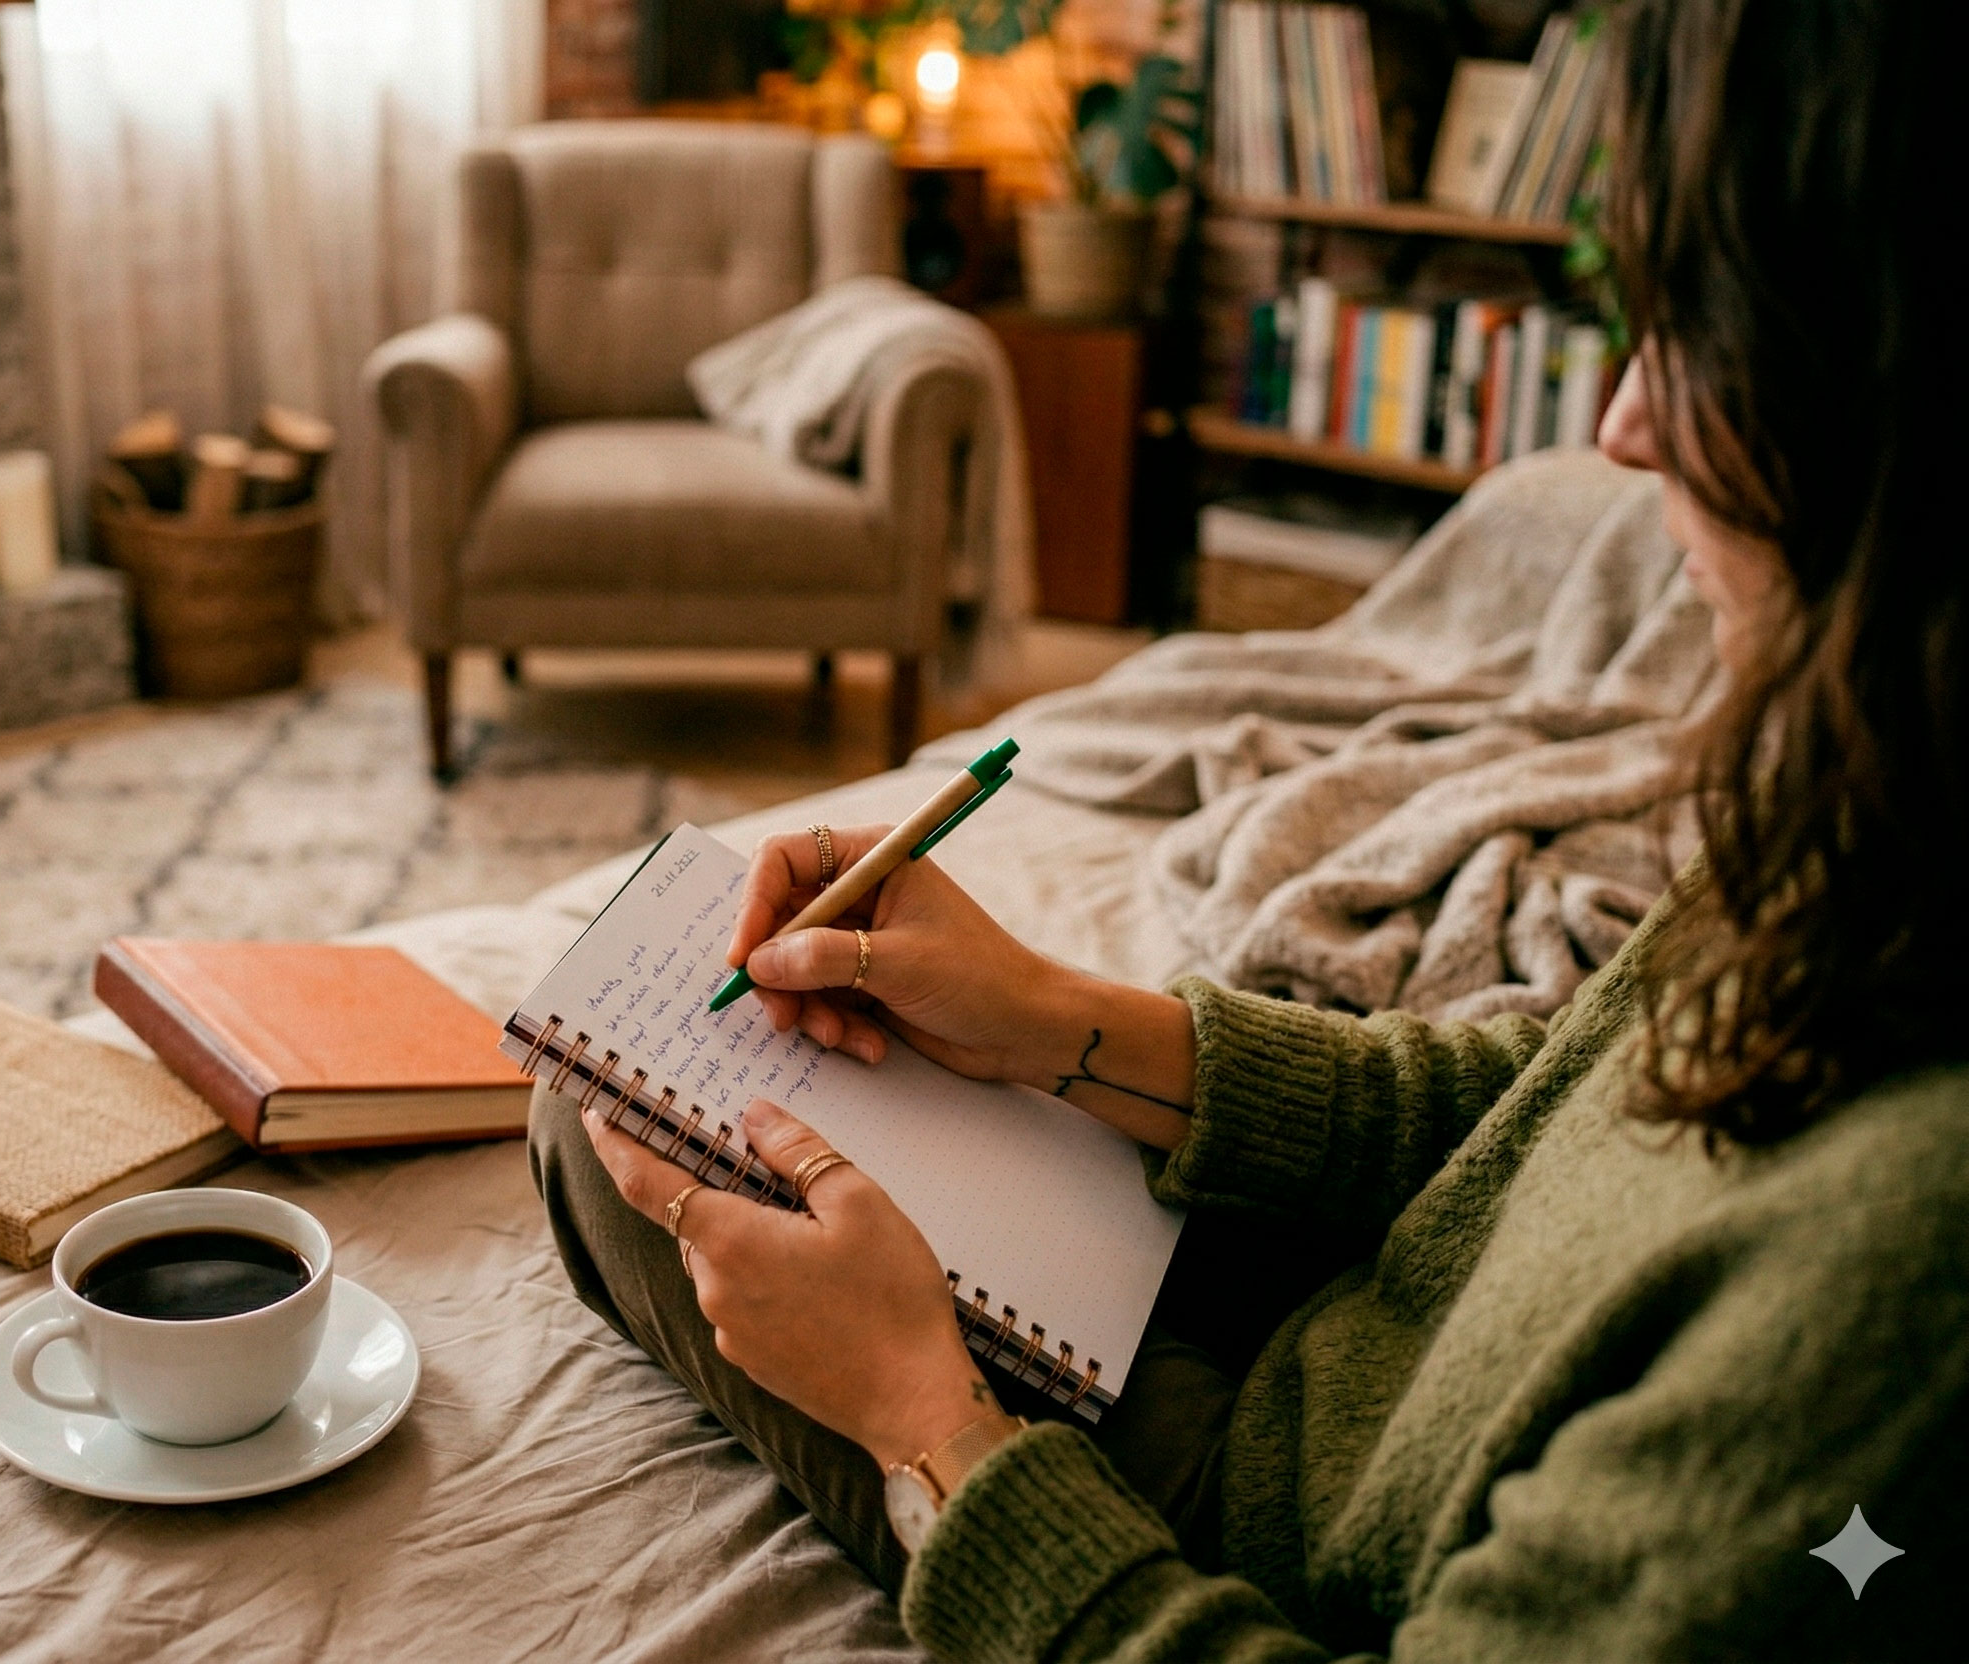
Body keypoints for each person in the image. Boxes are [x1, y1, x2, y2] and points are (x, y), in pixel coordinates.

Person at [525, 0, 1965, 1655]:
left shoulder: (1899, 1292)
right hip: (1333, 1339)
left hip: (1257, 1540)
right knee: (657, 1086)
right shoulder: (1870, 800)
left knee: (602, 1136)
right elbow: (1522, 1120)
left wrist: (924, 1417)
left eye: (1711, 336)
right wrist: (1058, 1024)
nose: (1622, 428)